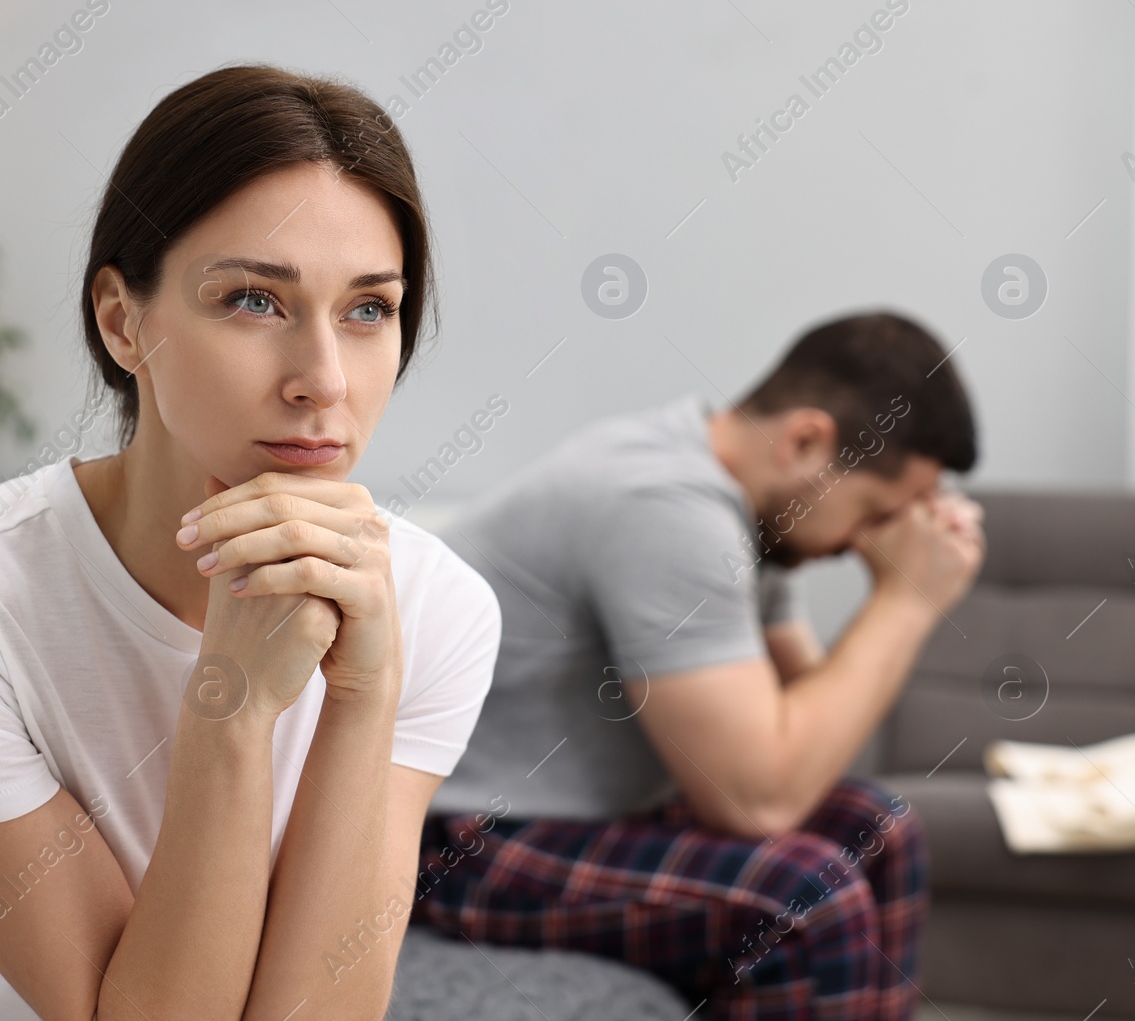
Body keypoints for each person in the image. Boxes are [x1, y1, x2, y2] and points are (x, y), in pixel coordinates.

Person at [0, 64, 501, 1021]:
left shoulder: (433, 606)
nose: (324, 381)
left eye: (369, 308)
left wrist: (365, 690)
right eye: (255, 299)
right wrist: (230, 708)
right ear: (124, 320)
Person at [411, 311, 985, 1019]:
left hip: (579, 816)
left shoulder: (746, 508)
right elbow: (758, 797)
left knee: (882, 827)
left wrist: (902, 592)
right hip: (458, 837)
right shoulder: (666, 507)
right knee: (802, 896)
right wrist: (906, 602)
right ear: (806, 439)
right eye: (875, 510)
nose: (864, 541)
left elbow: (805, 742)